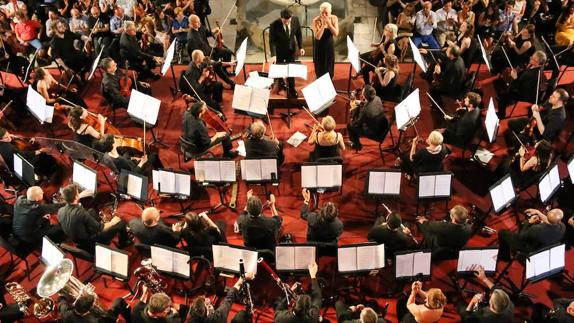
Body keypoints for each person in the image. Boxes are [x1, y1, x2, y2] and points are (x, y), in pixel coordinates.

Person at [57, 184, 131, 253]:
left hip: (78, 241)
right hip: (92, 242)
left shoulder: (60, 211)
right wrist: (112, 222)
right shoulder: (80, 212)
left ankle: (98, 224)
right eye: (77, 193)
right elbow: (101, 228)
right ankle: (124, 243)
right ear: (76, 197)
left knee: (91, 211)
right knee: (120, 222)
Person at [494, 50, 547, 119]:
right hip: (522, 87)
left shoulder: (532, 75)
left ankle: (501, 115)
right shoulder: (534, 67)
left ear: (538, 64)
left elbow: (521, 89)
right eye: (532, 56)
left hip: (523, 95)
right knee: (505, 89)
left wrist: (515, 78)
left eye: (533, 59)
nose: (530, 58)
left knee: (503, 96)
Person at [498, 208, 565, 261]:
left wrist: (529, 223)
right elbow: (550, 221)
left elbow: (521, 236)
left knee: (502, 233)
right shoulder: (562, 227)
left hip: (531, 249)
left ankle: (504, 257)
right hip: (545, 246)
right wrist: (538, 212)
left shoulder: (536, 229)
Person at [186, 14, 235, 87]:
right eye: (197, 22)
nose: (199, 23)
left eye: (199, 21)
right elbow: (195, 56)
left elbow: (207, 33)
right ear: (191, 24)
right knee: (217, 66)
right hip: (205, 58)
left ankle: (225, 70)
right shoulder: (191, 38)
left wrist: (215, 30)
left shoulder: (200, 27)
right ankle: (231, 83)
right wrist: (208, 60)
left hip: (211, 51)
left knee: (227, 52)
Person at [188, 273, 254, 323]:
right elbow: (229, 298)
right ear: (208, 313)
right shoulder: (216, 318)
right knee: (242, 316)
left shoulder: (192, 320)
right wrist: (242, 279)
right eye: (207, 305)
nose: (208, 300)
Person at [269, 8, 304, 98]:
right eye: (285, 21)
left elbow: (298, 34)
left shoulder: (295, 20)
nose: (287, 23)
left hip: (291, 49)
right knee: (280, 68)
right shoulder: (274, 24)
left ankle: (292, 88)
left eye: (288, 21)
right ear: (281, 18)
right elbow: (272, 41)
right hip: (280, 51)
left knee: (291, 68)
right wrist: (273, 55)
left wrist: (301, 47)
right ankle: (281, 85)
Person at [95, 134, 163, 175]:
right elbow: (134, 172)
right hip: (133, 171)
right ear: (113, 144)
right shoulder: (121, 160)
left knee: (127, 152)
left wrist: (132, 158)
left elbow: (124, 160)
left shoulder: (106, 155)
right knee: (154, 155)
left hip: (123, 166)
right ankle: (161, 171)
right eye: (115, 139)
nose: (116, 139)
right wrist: (142, 161)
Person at [346, 85, 387, 151]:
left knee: (350, 126)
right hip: (383, 125)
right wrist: (360, 102)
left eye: (363, 91)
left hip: (373, 132)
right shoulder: (377, 98)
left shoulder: (365, 111)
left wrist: (353, 108)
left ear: (364, 95)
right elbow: (369, 103)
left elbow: (357, 124)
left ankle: (356, 144)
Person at [426, 44, 466, 110]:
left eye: (447, 51)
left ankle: (438, 106)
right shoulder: (458, 58)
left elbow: (446, 83)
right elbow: (445, 58)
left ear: (452, 55)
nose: (446, 51)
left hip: (453, 88)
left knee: (432, 89)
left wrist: (438, 74)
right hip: (454, 80)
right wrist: (428, 53)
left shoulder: (454, 67)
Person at [58, 293, 131, 323]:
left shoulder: (66, 314)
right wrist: (115, 319)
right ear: (87, 310)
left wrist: (63, 296)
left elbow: (61, 301)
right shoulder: (95, 320)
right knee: (119, 301)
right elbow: (109, 317)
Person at [312, 2, 338, 79]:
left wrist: (329, 24)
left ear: (330, 12)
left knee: (329, 66)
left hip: (329, 46)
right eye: (322, 13)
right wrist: (323, 25)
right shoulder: (316, 20)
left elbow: (336, 33)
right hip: (319, 46)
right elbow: (317, 37)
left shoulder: (334, 18)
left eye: (326, 13)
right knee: (320, 68)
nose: (324, 15)